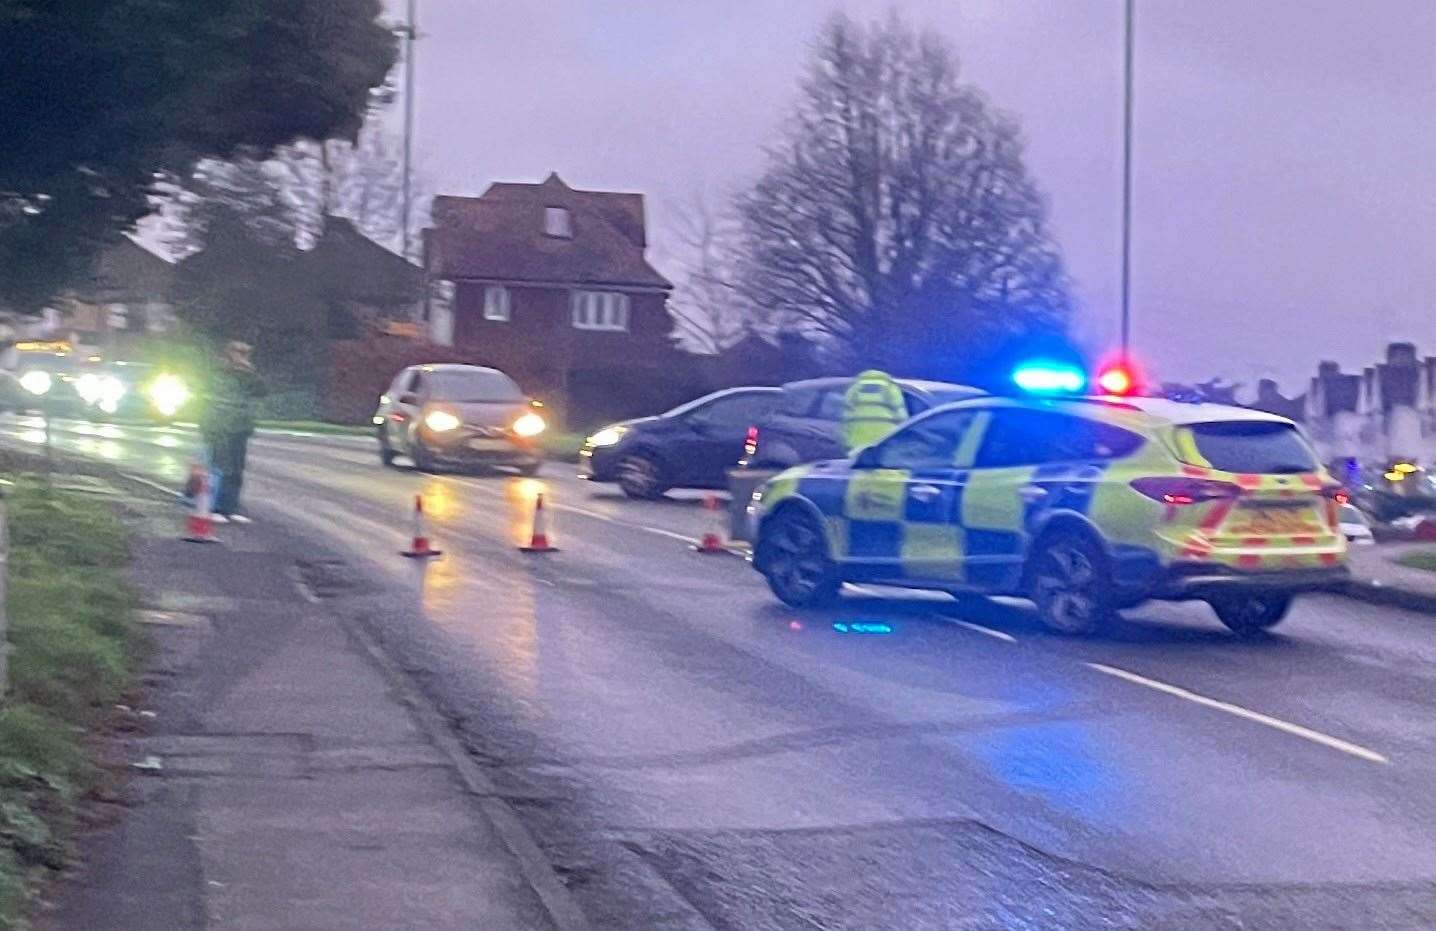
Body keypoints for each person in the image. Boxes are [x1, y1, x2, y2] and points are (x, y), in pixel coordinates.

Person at [200, 341, 267, 523]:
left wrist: (248, 371)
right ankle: (214, 507)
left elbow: (261, 390)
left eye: (246, 354)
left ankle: (230, 507)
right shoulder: (220, 373)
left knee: (237, 469)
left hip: (239, 427)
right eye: (240, 353)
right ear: (230, 353)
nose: (243, 358)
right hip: (219, 426)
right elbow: (213, 394)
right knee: (220, 467)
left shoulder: (247, 375)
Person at [840, 369, 907, 455]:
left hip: (857, 443)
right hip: (884, 442)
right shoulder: (890, 389)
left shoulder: (854, 389)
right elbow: (902, 418)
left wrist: (845, 443)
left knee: (860, 466)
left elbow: (845, 418)